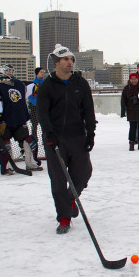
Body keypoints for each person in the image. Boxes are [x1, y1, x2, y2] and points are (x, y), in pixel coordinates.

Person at [36, 44, 96, 234]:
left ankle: (71, 197)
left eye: (71, 59)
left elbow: (88, 109)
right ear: (56, 63)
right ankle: (63, 217)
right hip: (56, 140)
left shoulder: (80, 83)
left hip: (78, 136)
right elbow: (42, 112)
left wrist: (90, 133)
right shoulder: (47, 86)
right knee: (58, 179)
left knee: (84, 172)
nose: (70, 62)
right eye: (66, 59)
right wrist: (49, 133)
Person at [0, 64, 42, 175]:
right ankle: (6, 167)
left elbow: (35, 87)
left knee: (30, 141)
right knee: (5, 144)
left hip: (20, 120)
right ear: (2, 73)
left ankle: (31, 164)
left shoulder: (19, 84)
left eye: (11, 70)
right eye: (8, 71)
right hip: (5, 122)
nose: (10, 73)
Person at [27, 67, 44, 143]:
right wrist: (36, 103)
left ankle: (46, 140)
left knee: (44, 124)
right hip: (34, 107)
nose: (42, 73)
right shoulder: (33, 84)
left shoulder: (45, 83)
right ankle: (34, 140)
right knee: (34, 125)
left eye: (43, 72)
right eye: (41, 72)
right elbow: (29, 96)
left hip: (43, 107)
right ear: (37, 73)